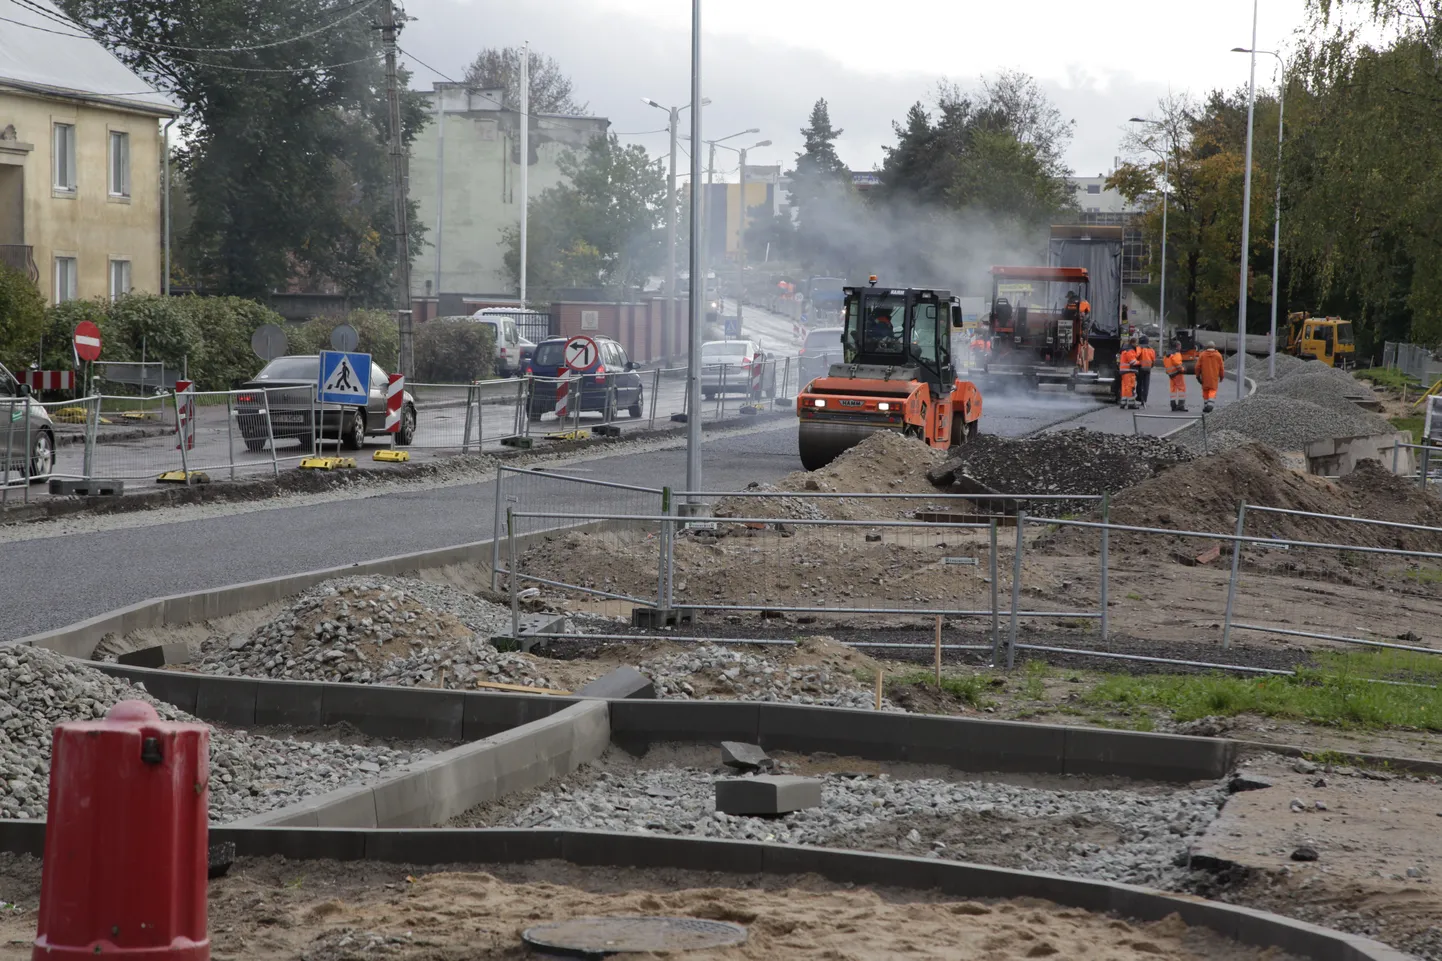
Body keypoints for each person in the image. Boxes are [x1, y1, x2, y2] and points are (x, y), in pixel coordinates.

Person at [1195, 340, 1225, 413]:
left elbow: (1197, 367)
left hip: (1205, 377)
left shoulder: (1202, 355)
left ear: (1206, 347)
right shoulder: (1218, 355)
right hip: (1214, 377)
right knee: (1212, 390)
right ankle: (1210, 405)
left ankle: (1206, 405)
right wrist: (1221, 377)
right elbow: (1221, 368)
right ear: (1214, 347)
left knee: (1205, 390)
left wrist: (1198, 376)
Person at [1164, 340, 1188, 412]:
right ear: (1177, 346)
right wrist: (1182, 369)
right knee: (1182, 389)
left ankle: (1173, 405)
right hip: (1177, 373)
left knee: (1173, 389)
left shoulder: (1167, 354)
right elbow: (1177, 363)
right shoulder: (1176, 353)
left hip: (1171, 374)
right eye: (1180, 345)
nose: (1180, 347)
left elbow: (1166, 363)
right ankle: (1181, 405)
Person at [1118, 338, 1139, 410]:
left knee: (1124, 387)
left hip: (1123, 371)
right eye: (1136, 343)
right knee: (1130, 387)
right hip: (1129, 371)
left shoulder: (1124, 350)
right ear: (1133, 343)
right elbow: (1133, 362)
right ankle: (1131, 404)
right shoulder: (1130, 350)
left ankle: (1123, 403)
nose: (1137, 345)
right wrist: (1140, 363)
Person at [1135, 335, 1156, 408]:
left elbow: (1136, 356)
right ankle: (1144, 399)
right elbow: (1153, 360)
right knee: (1146, 384)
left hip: (1140, 368)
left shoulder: (1139, 348)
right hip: (1148, 369)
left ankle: (1139, 397)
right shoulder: (1151, 350)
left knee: (1139, 384)